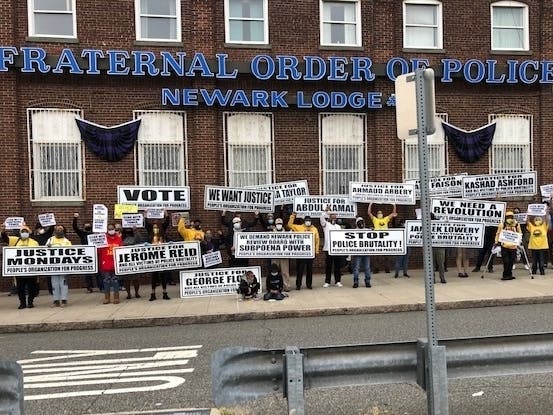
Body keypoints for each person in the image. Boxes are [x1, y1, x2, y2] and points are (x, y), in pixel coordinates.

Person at [1, 224, 40, 309]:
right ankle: (22, 303)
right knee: (20, 288)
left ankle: (30, 302)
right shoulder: (15, 241)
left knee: (31, 288)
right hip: (19, 271)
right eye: (23, 232)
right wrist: (3, 231)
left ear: (29, 233)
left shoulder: (34, 242)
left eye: (26, 231)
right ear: (20, 233)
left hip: (31, 270)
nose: (24, 233)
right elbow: (5, 239)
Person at [287, 213, 320, 290]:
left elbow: (317, 240)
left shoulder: (314, 229)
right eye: (306, 220)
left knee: (309, 270)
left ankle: (309, 285)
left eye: (309, 221)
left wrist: (316, 251)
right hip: (301, 253)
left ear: (311, 221)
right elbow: (289, 225)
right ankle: (298, 285)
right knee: (300, 269)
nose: (308, 222)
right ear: (304, 221)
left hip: (310, 253)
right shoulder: (299, 227)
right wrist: (293, 216)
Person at [73, 212, 102, 293]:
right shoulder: (82, 233)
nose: (87, 226)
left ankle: (101, 286)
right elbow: (75, 227)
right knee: (87, 272)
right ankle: (89, 287)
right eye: (86, 225)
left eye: (89, 225)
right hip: (86, 254)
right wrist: (75, 218)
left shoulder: (94, 233)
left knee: (98, 271)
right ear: (84, 227)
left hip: (95, 253)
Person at [146, 212, 171, 301]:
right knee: (154, 275)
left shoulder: (162, 230)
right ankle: (153, 293)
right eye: (154, 226)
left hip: (162, 255)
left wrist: (166, 214)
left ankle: (165, 293)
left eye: (157, 226)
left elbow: (167, 222)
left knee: (163, 275)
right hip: (153, 256)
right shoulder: (150, 231)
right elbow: (145, 223)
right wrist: (145, 214)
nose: (156, 228)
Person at [46, 225, 72, 307]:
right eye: (57, 229)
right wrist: (48, 247)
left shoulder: (66, 241)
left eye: (61, 229)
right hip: (53, 266)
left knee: (63, 283)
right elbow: (44, 251)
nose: (59, 231)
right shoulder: (50, 240)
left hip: (63, 266)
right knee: (54, 284)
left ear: (64, 231)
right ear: (55, 231)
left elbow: (71, 252)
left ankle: (64, 300)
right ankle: (56, 300)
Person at [98, 223, 123, 304]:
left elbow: (121, 249)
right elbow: (99, 251)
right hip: (105, 263)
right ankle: (107, 298)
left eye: (112, 229)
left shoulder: (118, 238)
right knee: (106, 281)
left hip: (115, 263)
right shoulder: (103, 239)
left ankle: (116, 297)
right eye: (109, 229)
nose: (111, 230)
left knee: (115, 281)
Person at [368, 203, 397, 273]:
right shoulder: (375, 219)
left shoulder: (385, 219)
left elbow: (393, 213)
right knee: (376, 256)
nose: (379, 214)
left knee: (386, 255)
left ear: (382, 214)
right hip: (377, 239)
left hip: (385, 239)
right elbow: (369, 213)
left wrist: (394, 205)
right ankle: (376, 269)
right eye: (378, 213)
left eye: (380, 213)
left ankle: (387, 268)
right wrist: (370, 204)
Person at [320, 206, 345, 288]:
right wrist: (326, 211)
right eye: (332, 216)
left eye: (335, 216)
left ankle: (337, 281)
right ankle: (327, 281)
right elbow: (322, 218)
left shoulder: (338, 227)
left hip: (337, 249)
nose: (334, 217)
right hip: (328, 249)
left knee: (337, 266)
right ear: (329, 217)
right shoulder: (326, 225)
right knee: (329, 266)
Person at [495, 211, 522, 281]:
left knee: (511, 261)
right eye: (508, 217)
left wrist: (520, 241)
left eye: (511, 217)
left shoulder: (516, 224)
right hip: (504, 246)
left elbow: (520, 233)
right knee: (506, 261)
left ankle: (509, 274)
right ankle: (505, 275)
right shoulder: (502, 225)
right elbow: (498, 233)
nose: (509, 218)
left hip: (513, 246)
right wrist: (496, 241)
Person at [121, 227, 144, 299]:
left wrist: (136, 230)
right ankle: (128, 294)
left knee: (136, 279)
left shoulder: (135, 237)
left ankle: (136, 293)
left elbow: (140, 240)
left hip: (134, 260)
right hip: (125, 260)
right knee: (126, 280)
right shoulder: (121, 238)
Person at [271, 217, 291, 291]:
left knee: (285, 272)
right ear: (275, 225)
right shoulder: (271, 233)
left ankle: (286, 286)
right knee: (274, 271)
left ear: (282, 225)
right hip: (275, 255)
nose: (278, 225)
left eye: (280, 224)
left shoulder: (286, 233)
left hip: (284, 255)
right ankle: (273, 286)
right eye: (277, 224)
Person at [352, 216, 372, 288]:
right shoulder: (354, 231)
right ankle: (356, 282)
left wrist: (373, 230)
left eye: (362, 222)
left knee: (367, 268)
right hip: (357, 253)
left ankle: (367, 281)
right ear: (357, 223)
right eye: (359, 222)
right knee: (356, 268)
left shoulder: (367, 230)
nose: (361, 224)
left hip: (366, 252)